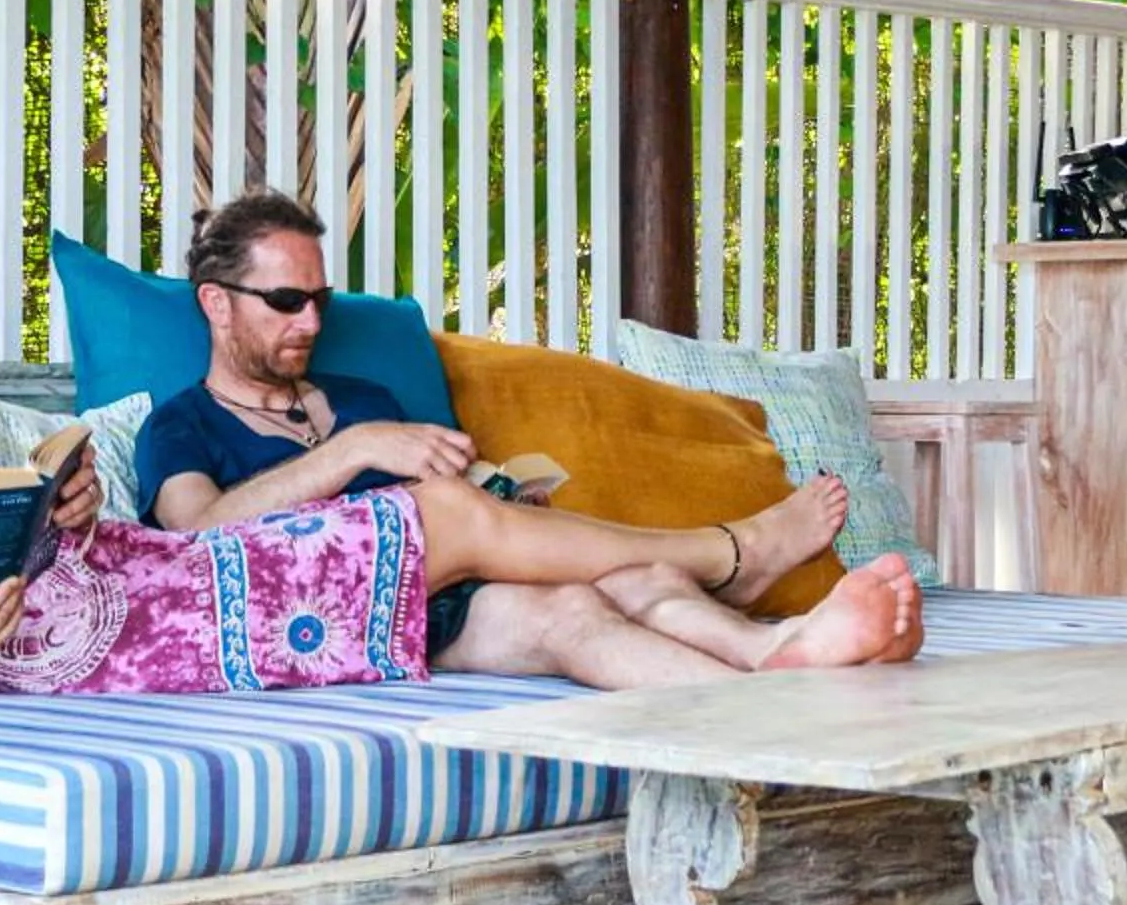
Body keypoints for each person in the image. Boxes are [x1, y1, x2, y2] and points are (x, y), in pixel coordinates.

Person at [0, 241, 919, 703]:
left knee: (537, 601)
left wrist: (58, 503)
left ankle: (776, 665)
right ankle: (733, 557)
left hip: (143, 576)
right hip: (153, 634)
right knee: (430, 514)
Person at [132, 189, 922, 690]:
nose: (309, 321)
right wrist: (352, 450)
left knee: (595, 601)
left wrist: (506, 498)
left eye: (319, 299)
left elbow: (460, 495)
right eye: (283, 300)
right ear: (217, 303)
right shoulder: (182, 424)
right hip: (337, 616)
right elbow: (194, 535)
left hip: (455, 601)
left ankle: (775, 661)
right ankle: (731, 554)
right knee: (486, 531)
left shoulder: (362, 398)